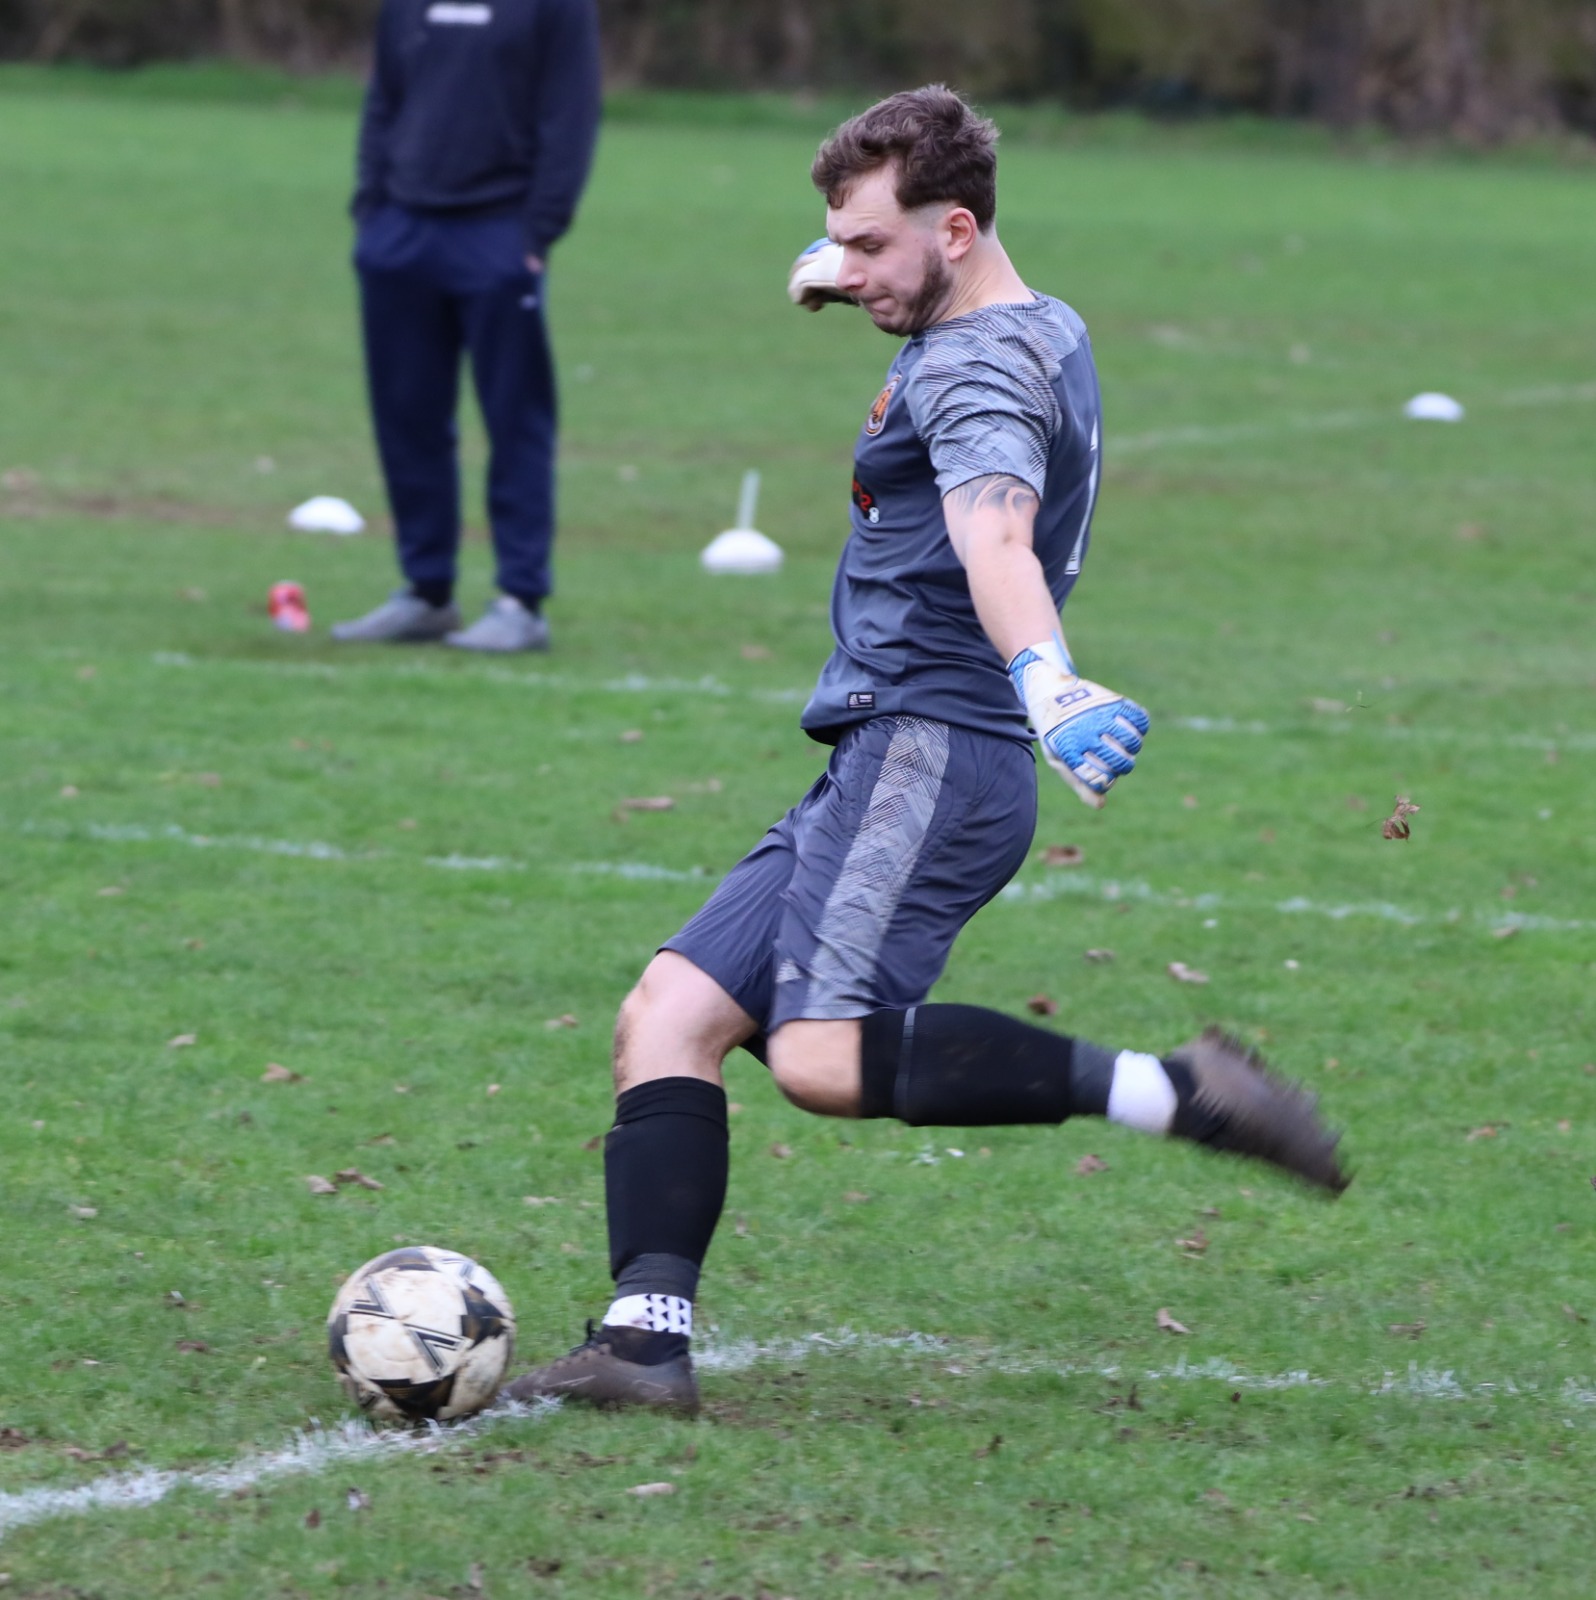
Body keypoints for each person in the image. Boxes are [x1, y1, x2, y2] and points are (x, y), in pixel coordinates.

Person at [508, 86, 1346, 1415]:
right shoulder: (1022, 311)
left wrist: (1049, 683)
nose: (851, 271)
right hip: (877, 749)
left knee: (821, 1060)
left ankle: (1181, 1092)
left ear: (954, 229)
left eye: (871, 247)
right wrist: (842, 271)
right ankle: (644, 1343)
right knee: (669, 1014)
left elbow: (995, 536)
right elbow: (909, 290)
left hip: (934, 752)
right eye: (839, 244)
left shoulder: (978, 375)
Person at [331, 0, 602, 652]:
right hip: (399, 232)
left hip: (498, 235)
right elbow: (385, 97)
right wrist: (372, 211)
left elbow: (571, 111)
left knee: (515, 420)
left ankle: (520, 600)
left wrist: (538, 231)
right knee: (407, 417)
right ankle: (426, 592)